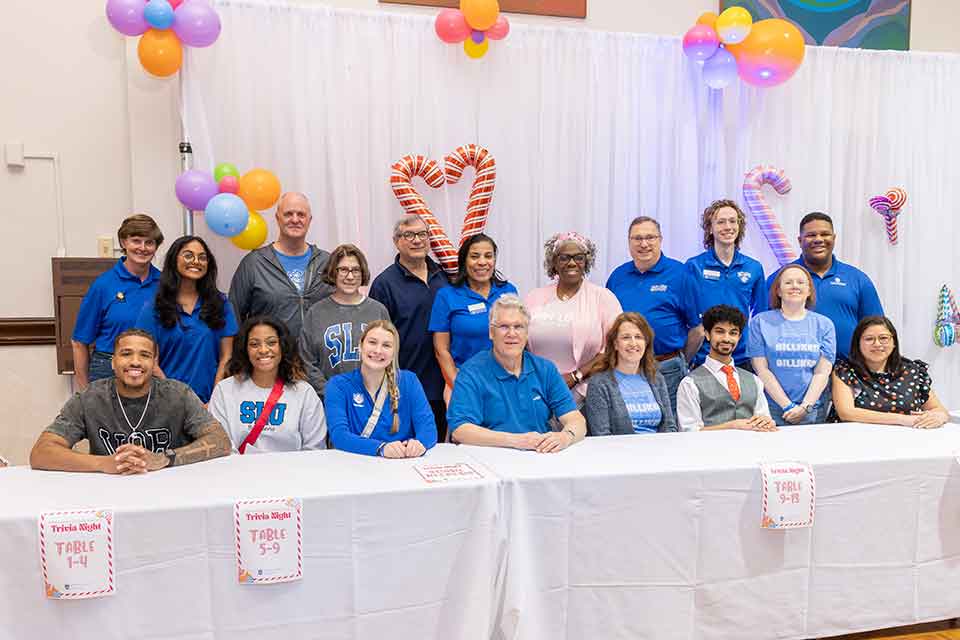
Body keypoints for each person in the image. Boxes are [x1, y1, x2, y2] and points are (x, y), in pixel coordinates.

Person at [30, 329, 231, 473]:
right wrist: (104, 463)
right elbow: (41, 453)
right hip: (110, 496)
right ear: (113, 361)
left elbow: (221, 441)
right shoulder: (89, 398)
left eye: (145, 355)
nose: (135, 361)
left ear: (154, 364)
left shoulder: (178, 394)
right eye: (126, 354)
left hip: (170, 493)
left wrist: (164, 458)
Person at [447, 295, 587, 452]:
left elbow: (576, 420)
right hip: (490, 458)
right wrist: (517, 441)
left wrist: (565, 437)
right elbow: (460, 431)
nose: (511, 334)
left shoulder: (545, 369)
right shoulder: (471, 372)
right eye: (504, 327)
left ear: (527, 333)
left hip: (538, 457)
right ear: (491, 333)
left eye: (518, 327)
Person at [605, 216, 701, 415]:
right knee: (630, 427)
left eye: (650, 237)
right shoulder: (617, 277)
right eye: (637, 238)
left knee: (671, 428)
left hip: (668, 369)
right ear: (629, 242)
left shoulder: (681, 274)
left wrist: (680, 358)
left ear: (660, 240)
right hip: (627, 370)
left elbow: (697, 329)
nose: (644, 244)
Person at [369, 216, 450, 441]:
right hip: (402, 386)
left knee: (436, 450)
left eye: (422, 234)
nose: (417, 240)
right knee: (401, 449)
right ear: (397, 242)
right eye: (409, 235)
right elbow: (376, 339)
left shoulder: (444, 277)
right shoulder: (384, 283)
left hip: (442, 386)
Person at [135, 236, 238, 404]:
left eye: (202, 257)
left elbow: (226, 358)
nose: (196, 261)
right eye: (188, 255)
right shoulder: (154, 307)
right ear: (174, 260)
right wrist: (177, 400)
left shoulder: (221, 304)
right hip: (166, 402)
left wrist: (215, 401)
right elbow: (148, 360)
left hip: (210, 403)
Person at [767, 212, 883, 359]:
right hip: (794, 371)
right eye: (811, 235)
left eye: (825, 234)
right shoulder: (780, 278)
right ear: (799, 240)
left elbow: (876, 328)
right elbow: (764, 326)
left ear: (834, 238)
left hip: (848, 372)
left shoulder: (857, 278)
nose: (818, 240)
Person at [524, 232, 622, 404]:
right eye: (564, 258)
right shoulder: (533, 297)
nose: (571, 263)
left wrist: (576, 376)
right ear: (553, 262)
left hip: (587, 394)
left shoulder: (603, 298)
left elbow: (613, 348)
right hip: (538, 390)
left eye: (578, 257)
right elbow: (520, 343)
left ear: (586, 262)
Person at [71, 214, 164, 389]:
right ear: (123, 242)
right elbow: (79, 341)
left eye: (149, 242)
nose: (143, 248)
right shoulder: (104, 285)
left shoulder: (165, 284)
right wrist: (84, 393)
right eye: (136, 241)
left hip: (151, 367)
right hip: (108, 368)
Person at [209, 316, 327, 453]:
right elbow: (223, 446)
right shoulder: (224, 391)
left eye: (271, 343)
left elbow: (314, 449)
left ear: (282, 346)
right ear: (244, 349)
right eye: (254, 344)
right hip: (240, 472)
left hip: (292, 472)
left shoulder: (304, 392)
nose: (263, 350)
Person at [325, 320, 438, 457]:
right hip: (355, 468)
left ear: (394, 353)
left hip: (401, 467)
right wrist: (381, 448)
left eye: (386, 345)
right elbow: (339, 436)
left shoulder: (409, 381)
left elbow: (429, 429)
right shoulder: (338, 385)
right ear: (360, 346)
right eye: (372, 342)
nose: (378, 351)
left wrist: (419, 444)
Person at [228, 192, 333, 337]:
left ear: (310, 220)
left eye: (301, 215)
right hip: (271, 356)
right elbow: (233, 316)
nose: (295, 220)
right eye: (288, 214)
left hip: (318, 357)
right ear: (277, 218)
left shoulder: (327, 262)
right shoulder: (254, 263)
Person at [429, 233, 518, 397]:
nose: (482, 262)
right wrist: (458, 385)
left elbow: (518, 338)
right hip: (464, 382)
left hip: (505, 381)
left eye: (488, 256)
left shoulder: (508, 291)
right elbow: (441, 350)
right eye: (475, 256)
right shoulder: (447, 296)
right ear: (464, 261)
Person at [747, 265, 836, 425]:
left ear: (809, 290)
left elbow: (822, 372)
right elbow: (762, 369)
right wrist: (787, 405)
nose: (795, 286)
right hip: (772, 410)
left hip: (812, 410)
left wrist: (805, 407)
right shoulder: (760, 322)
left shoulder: (824, 324)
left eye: (801, 282)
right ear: (778, 291)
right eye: (788, 282)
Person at [298, 244, 389, 399]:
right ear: (333, 272)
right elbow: (306, 361)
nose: (350, 276)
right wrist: (332, 392)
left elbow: (389, 357)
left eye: (355, 270)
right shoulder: (316, 312)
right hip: (329, 401)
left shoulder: (378, 311)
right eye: (343, 270)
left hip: (372, 400)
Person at [686, 200, 766, 368]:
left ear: (740, 225)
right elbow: (687, 312)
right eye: (720, 222)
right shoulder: (694, 266)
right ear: (710, 228)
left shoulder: (754, 267)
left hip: (742, 356)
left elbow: (761, 314)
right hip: (704, 356)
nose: (727, 227)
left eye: (732, 221)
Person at [831, 316, 949, 429]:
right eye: (869, 339)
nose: (877, 344)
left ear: (894, 342)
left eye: (883, 338)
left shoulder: (912, 371)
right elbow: (846, 413)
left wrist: (939, 417)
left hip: (905, 441)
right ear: (858, 343)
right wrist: (902, 419)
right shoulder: (845, 370)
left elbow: (938, 409)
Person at [676, 305, 776, 432]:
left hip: (751, 449)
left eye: (733, 333)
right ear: (707, 334)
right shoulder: (689, 383)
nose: (726, 339)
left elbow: (764, 419)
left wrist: (766, 422)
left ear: (739, 337)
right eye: (720, 331)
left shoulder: (754, 380)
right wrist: (732, 426)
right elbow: (688, 432)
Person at [583, 312, 677, 435]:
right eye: (626, 337)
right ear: (615, 344)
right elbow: (601, 435)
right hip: (619, 452)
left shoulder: (656, 378)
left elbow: (670, 427)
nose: (633, 343)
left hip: (658, 450)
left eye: (638, 337)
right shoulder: (599, 383)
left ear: (646, 342)